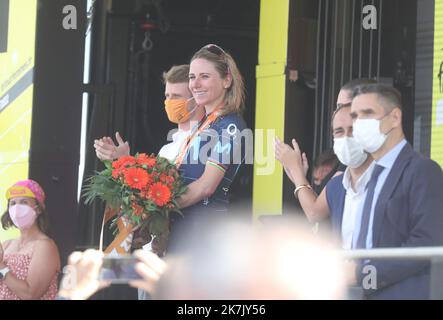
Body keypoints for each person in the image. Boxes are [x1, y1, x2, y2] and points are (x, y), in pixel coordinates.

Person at [347, 83, 443, 299]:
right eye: (354, 115)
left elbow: (426, 243)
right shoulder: (372, 175)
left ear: (395, 117)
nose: (358, 123)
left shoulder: (422, 170)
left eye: (367, 113)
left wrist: (362, 273)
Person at [275, 79, 375, 249]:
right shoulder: (346, 168)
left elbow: (315, 212)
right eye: (337, 108)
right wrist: (299, 178)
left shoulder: (360, 158)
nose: (338, 113)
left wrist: (297, 173)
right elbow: (329, 203)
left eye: (342, 106)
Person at [168, 44, 248, 251]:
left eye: (204, 76)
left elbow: (206, 186)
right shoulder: (204, 125)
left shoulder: (231, 126)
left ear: (226, 80)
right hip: (183, 232)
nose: (195, 84)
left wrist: (159, 206)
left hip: (204, 238)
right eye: (192, 77)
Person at [94, 64, 205, 163]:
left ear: (198, 98)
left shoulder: (211, 140)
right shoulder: (166, 151)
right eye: (167, 96)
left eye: (176, 96)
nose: (170, 102)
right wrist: (124, 159)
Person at [0, 180, 60, 300]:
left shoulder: (45, 246)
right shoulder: (6, 244)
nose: (17, 208)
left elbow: (30, 294)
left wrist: (1, 267)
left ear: (38, 208)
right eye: (12, 203)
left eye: (24, 202)